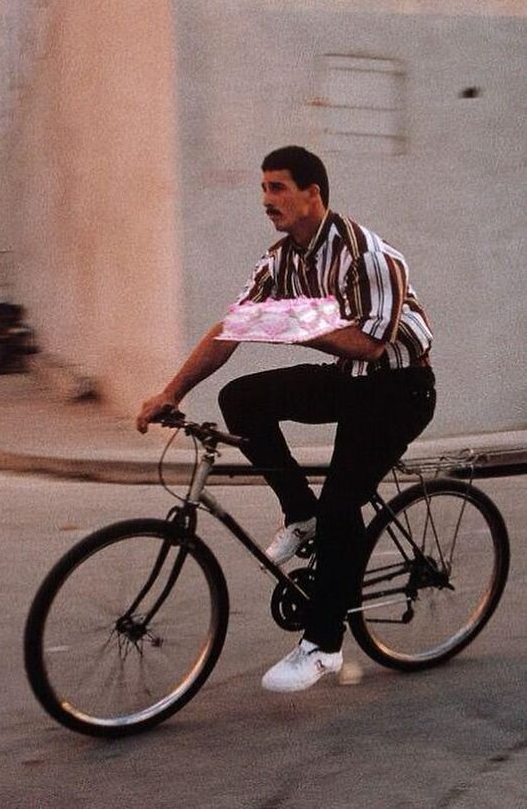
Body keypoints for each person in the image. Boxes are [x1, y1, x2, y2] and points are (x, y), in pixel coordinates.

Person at [136, 145, 436, 694]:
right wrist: (171, 392)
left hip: (399, 388)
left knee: (343, 502)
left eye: (277, 188)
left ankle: (322, 646)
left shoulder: (368, 255)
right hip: (352, 379)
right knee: (242, 399)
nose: (266, 200)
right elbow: (232, 328)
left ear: (312, 194)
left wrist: (297, 325)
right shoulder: (280, 261)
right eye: (263, 188)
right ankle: (303, 515)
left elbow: (371, 346)